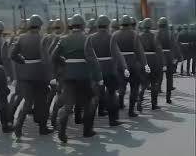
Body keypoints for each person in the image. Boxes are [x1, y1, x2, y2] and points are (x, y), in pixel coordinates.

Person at [52, 14, 103, 143]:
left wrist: (63, 63)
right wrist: (99, 77)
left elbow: (53, 56)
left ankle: (62, 130)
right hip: (84, 75)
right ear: (82, 25)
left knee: (68, 105)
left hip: (68, 75)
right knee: (88, 104)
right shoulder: (87, 39)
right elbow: (92, 59)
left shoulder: (63, 39)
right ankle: (87, 131)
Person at [11, 14, 53, 139]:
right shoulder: (43, 38)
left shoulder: (21, 38)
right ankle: (42, 128)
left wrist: (23, 62)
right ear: (39, 26)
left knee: (27, 103)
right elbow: (46, 59)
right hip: (40, 74)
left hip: (26, 74)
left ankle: (18, 127)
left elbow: (13, 55)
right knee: (42, 103)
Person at [85, 15, 129, 126]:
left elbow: (87, 55)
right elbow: (116, 53)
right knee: (111, 94)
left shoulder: (90, 37)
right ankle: (113, 120)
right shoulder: (111, 37)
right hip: (110, 69)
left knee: (95, 96)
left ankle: (89, 124)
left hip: (96, 69)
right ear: (108, 25)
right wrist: (123, 67)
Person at [113, 15, 150, 117]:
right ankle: (131, 111)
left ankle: (120, 103)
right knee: (134, 87)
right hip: (133, 63)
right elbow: (139, 51)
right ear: (130, 23)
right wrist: (144, 64)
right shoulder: (134, 34)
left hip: (120, 63)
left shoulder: (115, 34)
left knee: (121, 85)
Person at [138, 18, 164, 111]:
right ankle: (154, 104)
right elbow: (159, 50)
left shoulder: (139, 36)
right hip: (153, 61)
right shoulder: (154, 36)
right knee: (154, 83)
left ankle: (139, 102)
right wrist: (161, 63)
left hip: (142, 61)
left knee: (143, 84)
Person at [156, 17, 175, 104]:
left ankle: (157, 93)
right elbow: (174, 46)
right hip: (169, 56)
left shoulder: (157, 34)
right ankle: (168, 98)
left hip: (159, 57)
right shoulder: (170, 33)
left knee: (158, 77)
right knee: (169, 78)